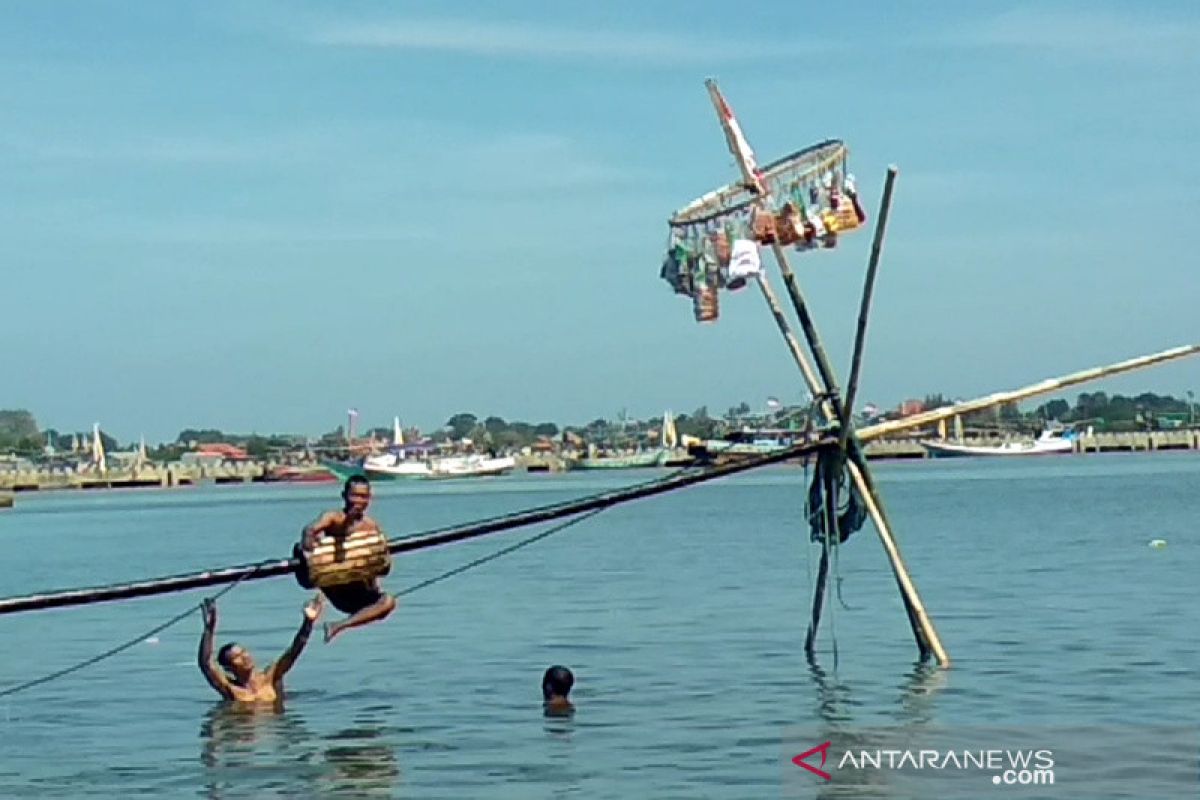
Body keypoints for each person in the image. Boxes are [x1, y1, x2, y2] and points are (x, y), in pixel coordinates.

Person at [301, 475, 397, 643]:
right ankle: (340, 624)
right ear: (344, 495)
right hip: (339, 592)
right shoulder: (333, 518)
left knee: (388, 602)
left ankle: (338, 626)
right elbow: (310, 530)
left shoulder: (370, 525)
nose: (358, 501)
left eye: (363, 497)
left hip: (362, 592)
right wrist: (309, 545)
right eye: (355, 495)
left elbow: (381, 560)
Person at [198, 595, 322, 703]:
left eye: (244, 652)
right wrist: (209, 629)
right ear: (229, 668)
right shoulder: (232, 690)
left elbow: (293, 652)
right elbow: (206, 665)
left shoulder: (270, 677)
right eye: (237, 657)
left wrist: (308, 622)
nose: (245, 657)